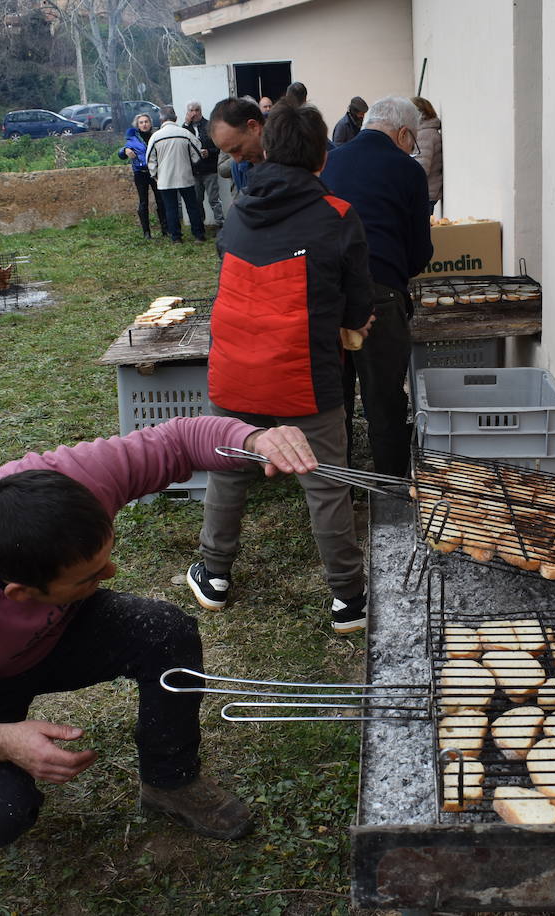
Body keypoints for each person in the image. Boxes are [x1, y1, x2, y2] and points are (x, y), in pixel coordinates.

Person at [0, 417, 319, 884]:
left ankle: (169, 780)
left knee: (165, 631)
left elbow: (179, 440)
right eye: (90, 576)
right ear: (21, 593)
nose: (112, 574)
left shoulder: (69, 483)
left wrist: (254, 440)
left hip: (59, 631)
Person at [186, 102, 374, 634]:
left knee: (228, 472)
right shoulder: (337, 215)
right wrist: (352, 322)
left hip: (235, 373)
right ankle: (348, 599)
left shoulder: (241, 207)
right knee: (325, 483)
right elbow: (359, 306)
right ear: (322, 155)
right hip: (304, 378)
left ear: (266, 147)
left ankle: (215, 574)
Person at [320, 96, 433, 477]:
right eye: (413, 141)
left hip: (325, 296)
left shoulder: (328, 162)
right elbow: (419, 252)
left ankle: (337, 489)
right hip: (380, 293)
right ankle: (390, 490)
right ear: (403, 134)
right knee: (383, 399)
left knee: (334, 402)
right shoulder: (409, 171)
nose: (412, 148)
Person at [146, 107, 206, 242]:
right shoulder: (185, 134)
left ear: (161, 119)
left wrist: (155, 175)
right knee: (192, 206)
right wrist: (191, 164)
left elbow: (150, 159)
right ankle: (198, 235)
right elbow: (197, 154)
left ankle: (176, 237)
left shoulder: (155, 137)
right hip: (185, 176)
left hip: (165, 179)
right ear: (176, 118)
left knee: (171, 208)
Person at [117, 113, 166, 239]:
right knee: (143, 202)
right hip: (140, 172)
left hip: (156, 172)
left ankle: (165, 229)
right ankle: (146, 232)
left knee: (161, 200)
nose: (144, 124)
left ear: (150, 123)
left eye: (146, 121)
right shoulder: (133, 138)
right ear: (137, 125)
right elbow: (122, 153)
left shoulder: (157, 135)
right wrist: (125, 150)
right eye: (141, 122)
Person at [209, 97, 265, 196]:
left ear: (253, 127)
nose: (237, 160)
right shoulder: (238, 167)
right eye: (229, 153)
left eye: (237, 149)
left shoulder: (294, 154)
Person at [182, 100, 224, 232]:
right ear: (187, 113)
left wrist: (209, 152)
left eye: (197, 110)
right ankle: (200, 226)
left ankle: (221, 225)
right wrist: (186, 124)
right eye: (191, 110)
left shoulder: (209, 125)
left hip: (209, 169)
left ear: (201, 111)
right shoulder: (184, 129)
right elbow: (181, 145)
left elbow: (219, 146)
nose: (194, 113)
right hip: (193, 171)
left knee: (214, 200)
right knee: (196, 200)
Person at [411, 97, 443, 213]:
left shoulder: (425, 135)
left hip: (425, 194)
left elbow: (421, 168)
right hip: (428, 193)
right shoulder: (428, 132)